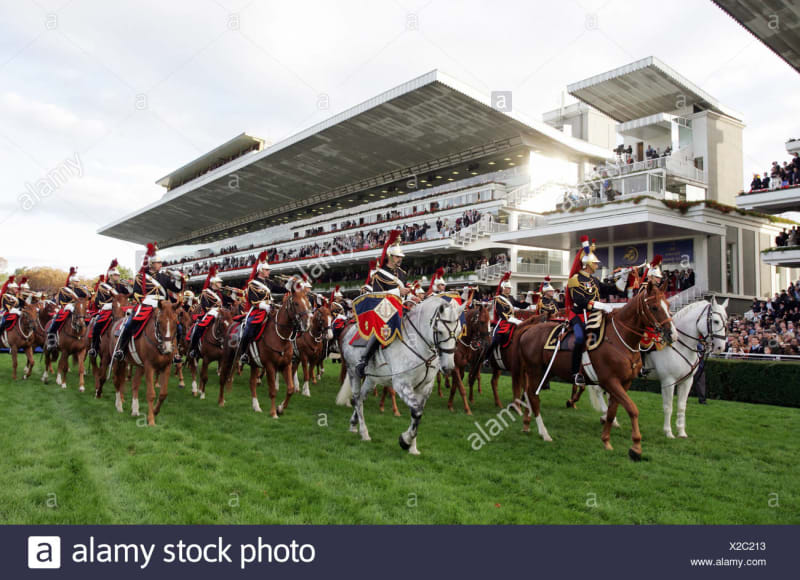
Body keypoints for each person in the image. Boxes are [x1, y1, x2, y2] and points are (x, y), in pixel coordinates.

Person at [113, 244, 183, 361]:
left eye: (161, 263)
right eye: (158, 263)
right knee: (129, 324)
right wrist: (148, 301)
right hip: (147, 305)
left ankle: (176, 351)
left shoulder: (164, 277)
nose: (161, 265)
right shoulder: (140, 277)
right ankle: (121, 349)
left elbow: (176, 289)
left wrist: (178, 279)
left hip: (163, 307)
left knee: (179, 327)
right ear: (151, 264)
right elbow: (136, 293)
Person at [355, 230, 408, 378]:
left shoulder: (402, 273)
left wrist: (411, 297)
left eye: (401, 257)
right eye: (398, 257)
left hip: (401, 306)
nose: (400, 259)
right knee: (382, 330)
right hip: (385, 308)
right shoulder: (379, 275)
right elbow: (376, 296)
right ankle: (364, 360)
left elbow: (405, 291)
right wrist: (398, 292)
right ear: (390, 256)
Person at [566, 237, 615, 387]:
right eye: (594, 263)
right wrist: (598, 305)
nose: (596, 265)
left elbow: (608, 289)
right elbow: (579, 300)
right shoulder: (575, 279)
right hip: (578, 315)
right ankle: (575, 373)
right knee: (580, 338)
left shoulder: (594, 280)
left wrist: (623, 281)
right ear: (587, 264)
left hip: (593, 315)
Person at [238, 251, 285, 365]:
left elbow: (279, 289)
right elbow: (252, 299)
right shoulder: (252, 284)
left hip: (271, 308)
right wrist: (264, 306)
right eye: (267, 270)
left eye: (268, 270)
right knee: (248, 328)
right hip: (258, 310)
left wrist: (291, 286)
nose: (269, 272)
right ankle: (243, 353)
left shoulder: (268, 282)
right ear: (260, 271)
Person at [188, 265, 232, 360]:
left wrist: (233, 294)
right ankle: (194, 349)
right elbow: (206, 307)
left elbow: (229, 301)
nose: (221, 284)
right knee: (198, 328)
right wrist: (217, 310)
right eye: (219, 283)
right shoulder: (205, 293)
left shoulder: (219, 293)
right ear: (214, 283)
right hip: (209, 314)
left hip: (220, 314)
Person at [47, 267, 90, 352]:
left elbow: (87, 297)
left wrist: (84, 289)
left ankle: (86, 336)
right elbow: (61, 301)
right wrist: (71, 305)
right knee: (59, 319)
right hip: (67, 307)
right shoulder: (64, 290)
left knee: (88, 317)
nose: (77, 283)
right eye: (75, 281)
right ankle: (52, 335)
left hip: (78, 308)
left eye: (78, 281)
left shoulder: (80, 289)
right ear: (71, 282)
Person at [490, 271, 533, 351]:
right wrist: (516, 321)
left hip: (512, 321)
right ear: (503, 288)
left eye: (510, 288)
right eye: (508, 288)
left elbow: (521, 305)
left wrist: (529, 297)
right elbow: (503, 314)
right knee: (496, 339)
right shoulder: (498, 299)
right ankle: (487, 357)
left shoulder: (511, 298)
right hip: (503, 322)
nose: (509, 289)